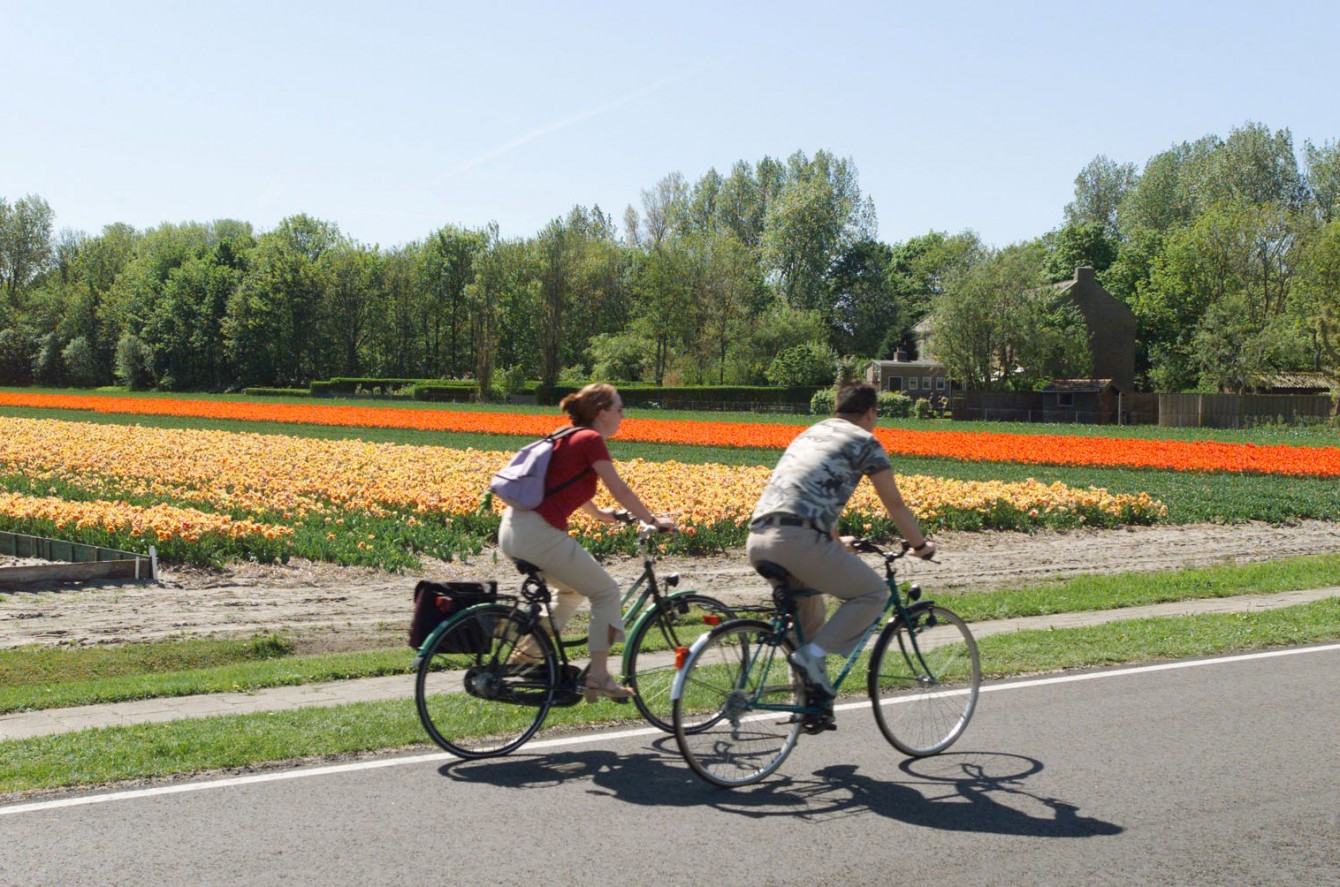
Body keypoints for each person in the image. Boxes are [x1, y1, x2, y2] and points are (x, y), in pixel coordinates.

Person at [746, 381, 936, 699]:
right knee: (873, 593)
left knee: (810, 614)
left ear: (838, 408)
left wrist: (834, 539)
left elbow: (809, 494)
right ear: (871, 413)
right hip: (798, 542)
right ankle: (810, 659)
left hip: (759, 538)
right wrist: (920, 546)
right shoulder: (865, 441)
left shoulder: (810, 434)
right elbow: (894, 504)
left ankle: (806, 700)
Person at [498, 383, 675, 701]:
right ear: (602, 412)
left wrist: (604, 516)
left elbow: (564, 486)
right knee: (605, 591)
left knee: (572, 589)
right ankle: (599, 675)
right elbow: (619, 488)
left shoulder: (567, 436)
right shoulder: (590, 439)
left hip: (514, 528)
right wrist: (653, 520)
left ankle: (526, 652)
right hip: (538, 535)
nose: (623, 416)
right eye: (619, 409)